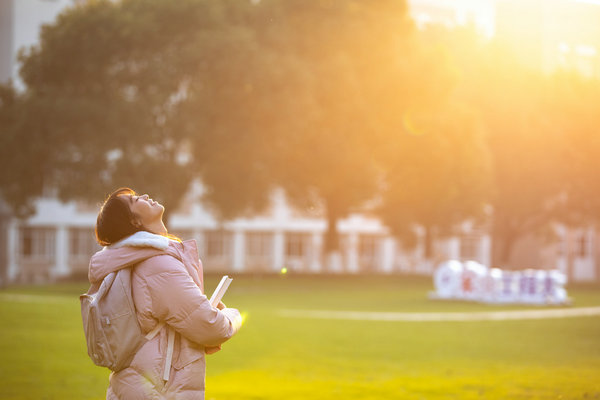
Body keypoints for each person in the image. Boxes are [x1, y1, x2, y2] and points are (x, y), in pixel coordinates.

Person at [89, 187, 242, 399]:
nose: (143, 195)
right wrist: (233, 316)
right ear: (134, 222)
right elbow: (210, 327)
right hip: (159, 391)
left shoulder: (138, 260)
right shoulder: (157, 265)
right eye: (134, 201)